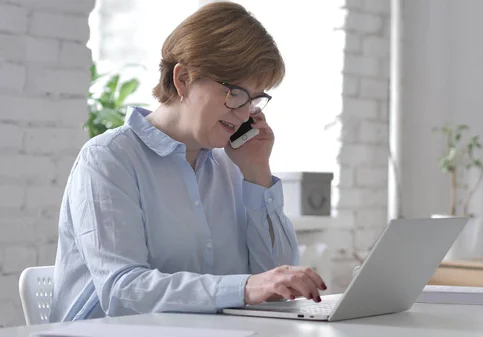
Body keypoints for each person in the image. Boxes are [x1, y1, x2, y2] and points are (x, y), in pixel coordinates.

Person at [49, 1, 326, 322]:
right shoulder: (108, 159)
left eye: (253, 99)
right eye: (235, 93)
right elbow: (123, 291)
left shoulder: (233, 166)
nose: (244, 113)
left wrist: (257, 174)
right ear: (183, 79)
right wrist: (245, 288)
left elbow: (278, 287)